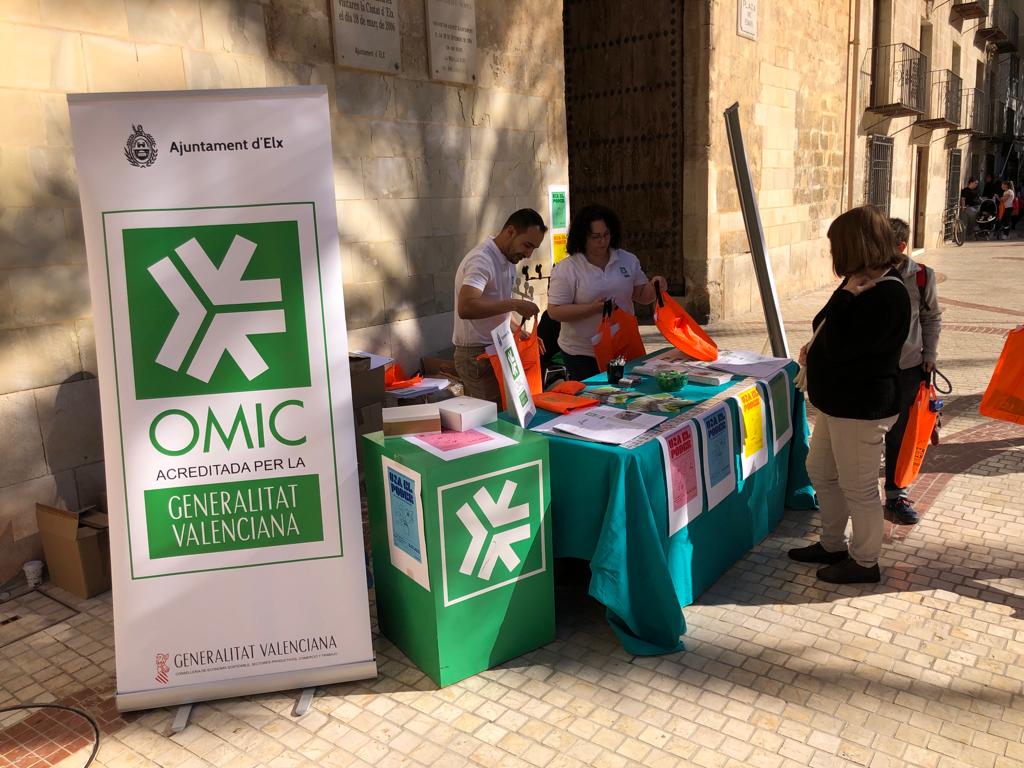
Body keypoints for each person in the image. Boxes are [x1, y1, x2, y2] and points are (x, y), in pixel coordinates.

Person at [789, 206, 911, 584]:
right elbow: (823, 324)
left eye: (835, 246)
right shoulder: (858, 282)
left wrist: (844, 301)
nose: (832, 254)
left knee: (858, 488)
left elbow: (844, 346)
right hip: (838, 404)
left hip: (861, 409)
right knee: (821, 472)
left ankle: (864, 561)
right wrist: (842, 298)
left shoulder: (887, 294)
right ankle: (832, 543)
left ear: (853, 244)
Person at [546, 204, 667, 381]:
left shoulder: (626, 259)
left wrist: (656, 286)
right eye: (595, 237)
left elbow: (641, 295)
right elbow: (555, 311)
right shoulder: (568, 268)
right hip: (582, 353)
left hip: (622, 346)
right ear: (583, 237)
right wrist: (593, 309)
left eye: (606, 235)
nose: (602, 241)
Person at [452, 209, 547, 402]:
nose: (528, 254)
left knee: (511, 413)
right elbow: (466, 307)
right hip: (478, 356)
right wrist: (514, 304)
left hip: (498, 348)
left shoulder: (508, 260)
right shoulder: (482, 260)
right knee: (495, 421)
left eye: (533, 249)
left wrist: (519, 332)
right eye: (527, 245)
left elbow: (497, 310)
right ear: (510, 231)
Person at [883, 219, 942, 525]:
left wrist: (929, 354)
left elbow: (932, 318)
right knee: (867, 433)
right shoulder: (869, 272)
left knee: (900, 434)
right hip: (874, 370)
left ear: (901, 247)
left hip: (908, 368)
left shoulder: (921, 277)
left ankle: (895, 495)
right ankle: (857, 493)